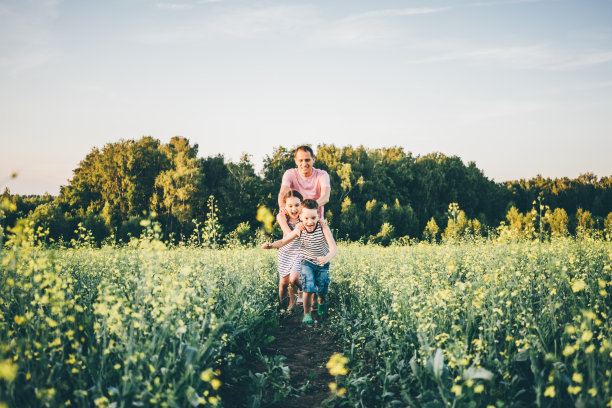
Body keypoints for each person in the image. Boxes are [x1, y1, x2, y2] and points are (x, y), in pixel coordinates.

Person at [263, 199, 338, 324]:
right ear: (301, 217)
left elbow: (334, 248)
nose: (310, 222)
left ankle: (321, 301)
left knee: (322, 289)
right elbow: (283, 241)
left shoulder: (323, 228)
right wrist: (270, 246)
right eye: (306, 218)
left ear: (318, 216)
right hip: (307, 262)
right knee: (308, 287)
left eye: (313, 218)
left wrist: (327, 258)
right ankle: (306, 314)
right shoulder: (299, 229)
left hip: (322, 263)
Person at [277, 145, 331, 304]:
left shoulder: (322, 175)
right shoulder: (289, 174)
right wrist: (283, 209)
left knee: (313, 262)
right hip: (294, 222)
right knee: (289, 271)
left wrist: (306, 211)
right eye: (300, 160)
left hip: (314, 224)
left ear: (313, 159)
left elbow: (325, 197)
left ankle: (314, 293)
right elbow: (283, 193)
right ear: (296, 161)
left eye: (307, 160)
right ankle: (294, 302)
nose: (304, 163)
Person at [275, 190, 304, 314]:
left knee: (294, 279)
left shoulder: (304, 218)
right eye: (290, 206)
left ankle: (307, 293)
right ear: (285, 207)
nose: (294, 209)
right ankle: (283, 309)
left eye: (297, 205)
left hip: (299, 252)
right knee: (283, 283)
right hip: (285, 252)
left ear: (301, 205)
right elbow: (288, 234)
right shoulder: (282, 217)